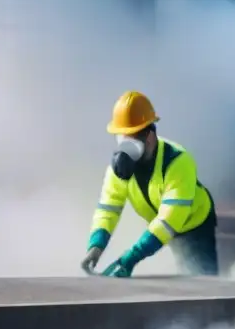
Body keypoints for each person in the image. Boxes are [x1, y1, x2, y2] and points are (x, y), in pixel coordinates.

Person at [81, 91, 219, 278]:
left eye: (131, 138)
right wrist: (95, 246)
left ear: (150, 136)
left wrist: (131, 257)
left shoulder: (178, 162)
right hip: (164, 224)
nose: (125, 146)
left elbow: (168, 222)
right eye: (122, 137)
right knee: (180, 274)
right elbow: (109, 208)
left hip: (193, 225)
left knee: (201, 280)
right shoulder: (121, 168)